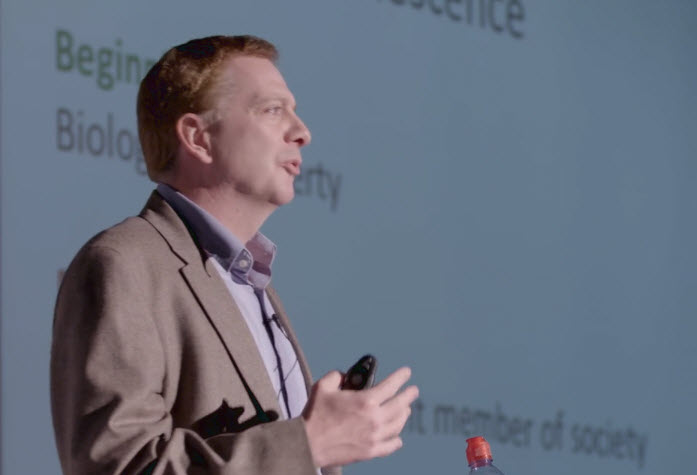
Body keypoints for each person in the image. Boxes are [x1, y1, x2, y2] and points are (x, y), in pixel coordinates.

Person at [50, 35, 419, 475]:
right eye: (273, 110)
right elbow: (121, 466)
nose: (303, 132)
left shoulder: (251, 283)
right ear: (198, 138)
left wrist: (312, 450)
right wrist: (309, 444)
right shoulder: (122, 264)